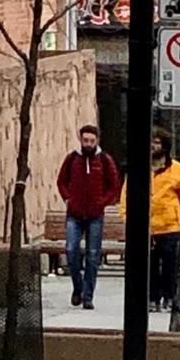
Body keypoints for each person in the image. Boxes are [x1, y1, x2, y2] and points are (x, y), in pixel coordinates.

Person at [122, 131, 180, 307]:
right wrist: (126, 217)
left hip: (170, 225)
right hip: (146, 226)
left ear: (165, 147)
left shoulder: (176, 168)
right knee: (150, 264)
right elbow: (126, 194)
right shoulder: (139, 167)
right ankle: (152, 298)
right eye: (151, 142)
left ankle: (169, 296)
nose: (153, 146)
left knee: (170, 263)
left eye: (157, 143)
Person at [56, 124, 120, 309]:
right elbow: (61, 181)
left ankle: (87, 296)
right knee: (70, 249)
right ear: (81, 140)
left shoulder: (105, 160)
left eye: (92, 140)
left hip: (95, 215)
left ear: (97, 140)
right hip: (74, 214)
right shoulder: (72, 159)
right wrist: (68, 199)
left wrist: (103, 202)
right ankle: (78, 286)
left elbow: (114, 186)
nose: (88, 144)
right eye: (85, 140)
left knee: (93, 256)